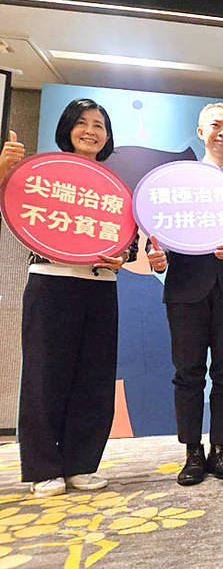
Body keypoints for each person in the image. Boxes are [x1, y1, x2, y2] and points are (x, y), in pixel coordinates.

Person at [17, 98, 137, 497]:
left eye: (99, 124)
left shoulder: (115, 185)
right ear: (67, 128)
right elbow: (22, 215)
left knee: (94, 377)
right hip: (51, 282)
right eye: (82, 123)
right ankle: (42, 469)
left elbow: (130, 242)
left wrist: (123, 255)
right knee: (45, 374)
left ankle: (80, 464)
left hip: (100, 285)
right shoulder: (45, 174)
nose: (91, 130)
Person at [147, 102, 223, 486]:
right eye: (215, 125)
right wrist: (156, 258)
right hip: (185, 290)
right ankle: (192, 452)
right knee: (188, 374)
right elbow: (157, 235)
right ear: (200, 132)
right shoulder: (178, 182)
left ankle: (221, 449)